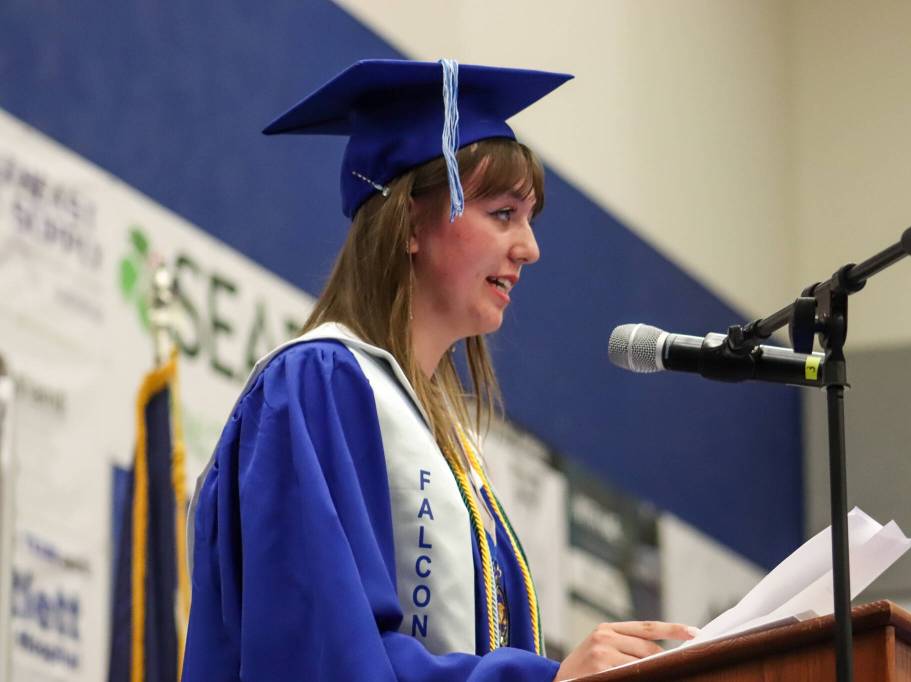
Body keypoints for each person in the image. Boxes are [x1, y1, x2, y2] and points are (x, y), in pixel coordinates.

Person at [182, 58, 696, 682]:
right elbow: (323, 652)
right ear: (410, 224)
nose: (530, 248)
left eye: (528, 220)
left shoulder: (448, 450)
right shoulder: (317, 384)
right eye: (503, 214)